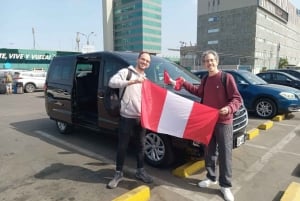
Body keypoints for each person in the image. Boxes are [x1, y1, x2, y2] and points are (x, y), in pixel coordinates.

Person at [170, 50, 242, 201]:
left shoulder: (226, 78)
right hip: (208, 122)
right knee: (209, 151)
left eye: (211, 60)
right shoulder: (205, 79)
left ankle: (225, 186)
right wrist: (183, 83)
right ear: (204, 63)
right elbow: (198, 92)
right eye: (206, 61)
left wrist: (229, 108)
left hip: (224, 122)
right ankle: (211, 177)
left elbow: (236, 99)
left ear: (217, 61)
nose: (209, 63)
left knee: (225, 154)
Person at [107, 51, 153, 189]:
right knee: (122, 146)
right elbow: (112, 82)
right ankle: (118, 173)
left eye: (147, 61)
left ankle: (140, 171)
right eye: (143, 59)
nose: (144, 62)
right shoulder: (126, 72)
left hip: (141, 118)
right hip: (126, 116)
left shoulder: (146, 79)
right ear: (138, 59)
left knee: (141, 146)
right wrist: (133, 81)